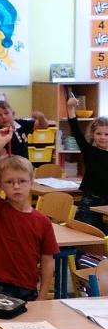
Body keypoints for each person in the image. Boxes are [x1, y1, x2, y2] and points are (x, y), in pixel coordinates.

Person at [0, 126, 58, 329]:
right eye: (10, 182)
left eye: (22, 181)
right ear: (1, 185)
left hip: (27, 286)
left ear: (31, 182)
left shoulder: (42, 222)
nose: (16, 187)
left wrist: (42, 295)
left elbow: (48, 260)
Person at [67, 95, 108, 232]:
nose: (102, 138)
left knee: (105, 237)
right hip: (91, 199)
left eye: (106, 134)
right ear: (92, 134)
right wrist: (70, 108)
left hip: (107, 203)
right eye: (98, 134)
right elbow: (76, 130)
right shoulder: (89, 150)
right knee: (88, 234)